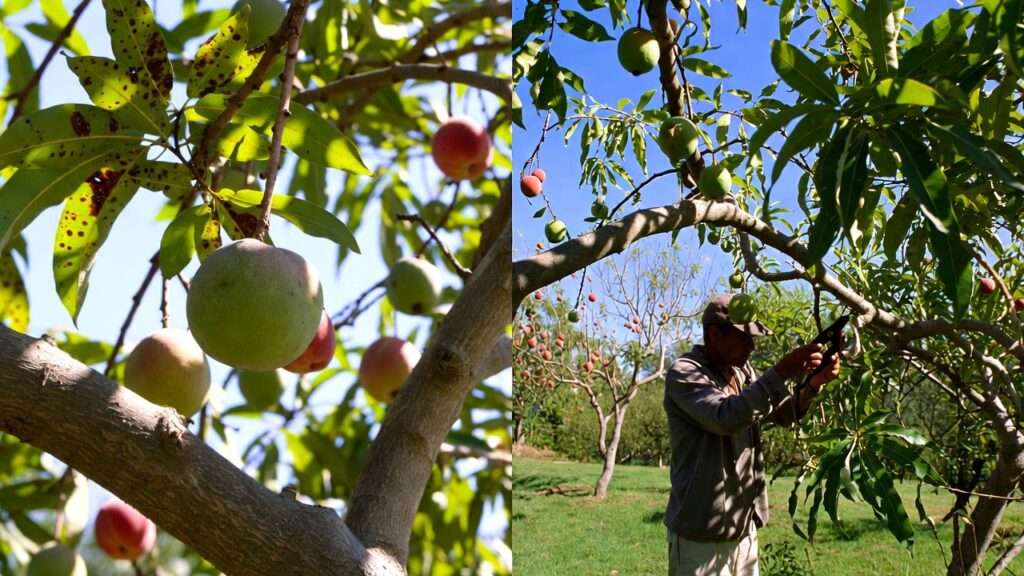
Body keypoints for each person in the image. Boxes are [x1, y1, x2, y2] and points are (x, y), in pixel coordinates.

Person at [663, 293, 842, 576]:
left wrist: (814, 383)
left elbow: (783, 414)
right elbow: (725, 417)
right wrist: (781, 371)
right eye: (744, 337)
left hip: (743, 525)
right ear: (714, 334)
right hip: (702, 534)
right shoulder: (685, 373)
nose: (752, 345)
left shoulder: (742, 371)